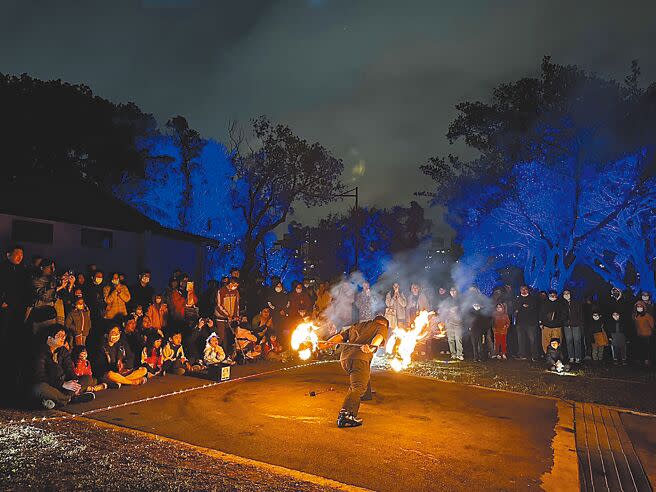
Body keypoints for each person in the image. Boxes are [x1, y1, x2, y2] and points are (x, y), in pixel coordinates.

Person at [319, 316, 389, 428]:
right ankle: (345, 415)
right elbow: (379, 337)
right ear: (384, 323)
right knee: (358, 386)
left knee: (361, 379)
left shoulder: (357, 325)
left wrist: (326, 343)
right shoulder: (381, 327)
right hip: (359, 358)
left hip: (345, 359)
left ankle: (365, 395)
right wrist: (371, 347)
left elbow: (340, 337)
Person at [32, 324, 95, 409]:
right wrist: (62, 384)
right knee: (39, 388)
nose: (63, 338)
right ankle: (70, 399)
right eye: (59, 336)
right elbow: (40, 376)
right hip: (50, 385)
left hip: (63, 385)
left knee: (87, 379)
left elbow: (69, 368)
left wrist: (74, 381)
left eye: (64, 336)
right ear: (49, 338)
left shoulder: (62, 350)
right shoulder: (40, 352)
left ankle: (58, 400)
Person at [215, 277, 241, 355]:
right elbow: (219, 306)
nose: (235, 287)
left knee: (229, 337)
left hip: (231, 318)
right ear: (230, 283)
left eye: (237, 285)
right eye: (234, 285)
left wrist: (236, 315)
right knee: (221, 336)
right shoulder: (221, 291)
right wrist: (227, 315)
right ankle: (217, 354)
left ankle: (227, 354)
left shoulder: (236, 292)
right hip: (221, 318)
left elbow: (237, 305)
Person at [514, 285, 539, 360]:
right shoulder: (517, 298)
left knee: (532, 340)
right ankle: (521, 354)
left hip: (530, 323)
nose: (523, 291)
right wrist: (523, 307)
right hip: (520, 322)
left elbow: (533, 308)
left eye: (525, 289)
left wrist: (522, 307)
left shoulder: (533, 298)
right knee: (520, 339)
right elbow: (515, 308)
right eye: (522, 289)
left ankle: (534, 356)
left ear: (528, 290)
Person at [561, 289, 584, 363]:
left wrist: (580, 323)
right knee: (569, 341)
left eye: (568, 293)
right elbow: (561, 315)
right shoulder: (562, 303)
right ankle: (571, 357)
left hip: (576, 324)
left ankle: (578, 357)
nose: (566, 295)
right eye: (565, 293)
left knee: (577, 341)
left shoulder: (576, 302)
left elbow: (580, 313)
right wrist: (565, 322)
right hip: (567, 325)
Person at [633, 300, 655, 366]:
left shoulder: (647, 315)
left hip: (647, 334)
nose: (639, 308)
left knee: (647, 348)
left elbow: (652, 325)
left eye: (640, 306)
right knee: (640, 348)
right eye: (638, 306)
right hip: (639, 335)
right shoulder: (635, 316)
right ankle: (641, 360)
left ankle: (647, 360)